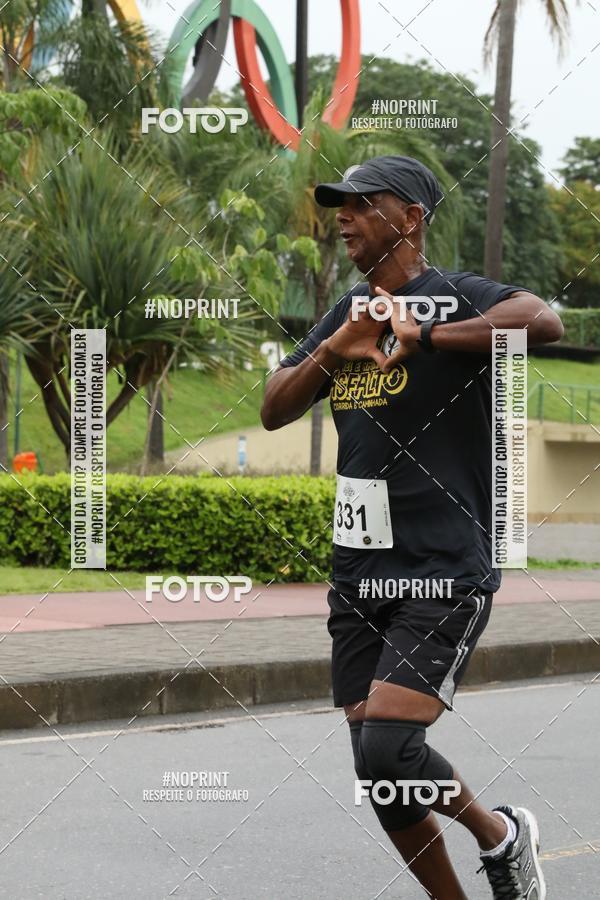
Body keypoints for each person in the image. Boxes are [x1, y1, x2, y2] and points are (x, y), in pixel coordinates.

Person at [260, 155, 563, 899]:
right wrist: (334, 348)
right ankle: (474, 873)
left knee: (390, 745)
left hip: (441, 563)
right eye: (339, 203)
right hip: (358, 569)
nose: (344, 215)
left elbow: (542, 321)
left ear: (411, 217)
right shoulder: (346, 312)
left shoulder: (456, 297)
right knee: (379, 769)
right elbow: (273, 406)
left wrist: (425, 334)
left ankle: (501, 834)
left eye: (363, 202)